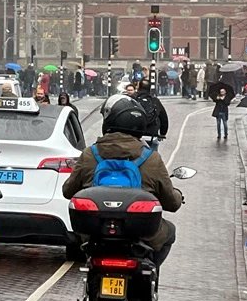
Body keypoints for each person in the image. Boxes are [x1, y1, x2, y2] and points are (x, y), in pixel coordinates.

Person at [62, 95, 184, 266]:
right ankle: (151, 271)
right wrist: (177, 195)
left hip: (96, 231)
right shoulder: (151, 159)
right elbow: (171, 203)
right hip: (138, 232)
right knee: (169, 233)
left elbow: (67, 191)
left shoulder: (90, 154)